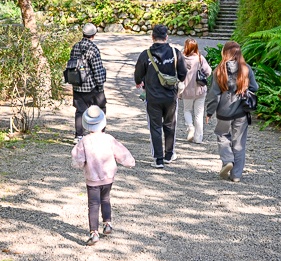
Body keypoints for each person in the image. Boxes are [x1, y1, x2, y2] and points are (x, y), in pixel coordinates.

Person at [71, 106, 135, 246]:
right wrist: (129, 162)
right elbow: (121, 152)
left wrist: (79, 164)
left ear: (86, 124)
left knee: (93, 204)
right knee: (105, 199)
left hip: (92, 178)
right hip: (108, 177)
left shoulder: (84, 141)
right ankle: (107, 224)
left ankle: (94, 232)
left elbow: (78, 159)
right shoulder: (109, 139)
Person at [133, 24, 187, 169]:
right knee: (170, 125)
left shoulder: (146, 54)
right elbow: (183, 74)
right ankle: (169, 154)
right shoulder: (175, 53)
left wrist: (139, 82)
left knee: (155, 127)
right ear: (166, 37)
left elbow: (138, 74)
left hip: (152, 97)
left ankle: (158, 159)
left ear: (152, 37)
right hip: (171, 96)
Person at [205, 41, 258, 183]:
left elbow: (214, 95)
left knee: (222, 135)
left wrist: (209, 112)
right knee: (239, 143)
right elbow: (255, 87)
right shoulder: (246, 69)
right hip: (241, 111)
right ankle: (236, 175)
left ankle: (228, 160)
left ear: (225, 52)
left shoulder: (219, 70)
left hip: (223, 112)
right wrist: (244, 88)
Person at [67, 23, 107, 143]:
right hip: (92, 86)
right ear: (93, 35)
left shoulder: (76, 46)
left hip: (77, 84)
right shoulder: (92, 48)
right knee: (101, 108)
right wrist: (100, 85)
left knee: (80, 111)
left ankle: (78, 136)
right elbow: (97, 69)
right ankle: (99, 133)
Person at [179, 39, 211, 144]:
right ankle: (198, 138)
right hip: (199, 90)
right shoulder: (200, 58)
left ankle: (190, 127)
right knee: (199, 114)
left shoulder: (181, 58)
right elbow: (208, 71)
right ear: (196, 47)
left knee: (187, 110)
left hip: (186, 90)